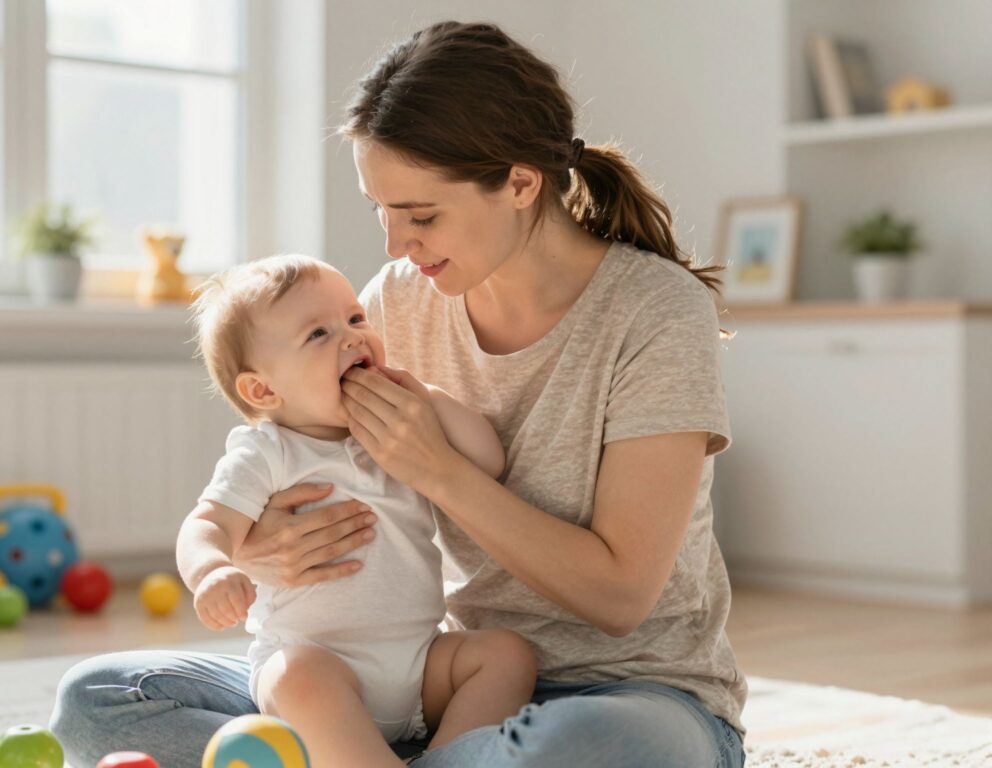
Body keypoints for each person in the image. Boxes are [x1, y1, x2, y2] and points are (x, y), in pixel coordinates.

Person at [51, 20, 747, 767]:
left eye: (419, 215)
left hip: (625, 697)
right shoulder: (400, 301)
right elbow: (284, 464)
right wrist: (260, 552)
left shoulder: (655, 311)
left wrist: (438, 469)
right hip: (426, 683)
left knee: (593, 747)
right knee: (99, 702)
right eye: (380, 210)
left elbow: (620, 598)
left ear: (520, 181)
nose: (393, 246)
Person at [179, 254, 536, 767]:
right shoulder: (267, 453)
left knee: (507, 656)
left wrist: (426, 401)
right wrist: (212, 571)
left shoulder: (399, 426)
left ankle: (444, 759)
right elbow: (206, 524)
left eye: (355, 319)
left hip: (418, 667)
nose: (352, 338)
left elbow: (490, 460)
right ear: (263, 389)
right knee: (294, 678)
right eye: (318, 335)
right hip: (322, 669)